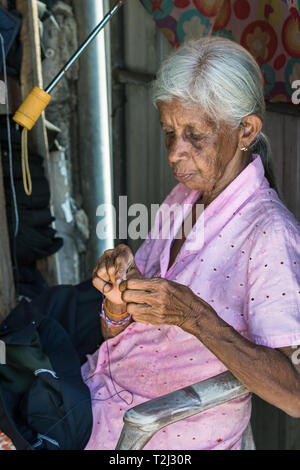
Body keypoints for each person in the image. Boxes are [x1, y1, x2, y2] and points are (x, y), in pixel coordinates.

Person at [82, 37, 300, 450]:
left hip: (164, 437)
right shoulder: (185, 198)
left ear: (246, 131)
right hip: (100, 396)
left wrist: (195, 316)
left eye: (193, 135)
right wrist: (118, 298)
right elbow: (117, 337)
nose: (174, 154)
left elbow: (294, 394)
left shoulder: (269, 233)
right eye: (169, 132)